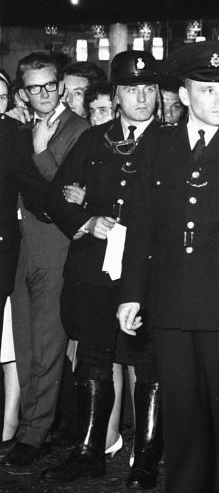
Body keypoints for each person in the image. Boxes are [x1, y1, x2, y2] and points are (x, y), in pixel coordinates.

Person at [117, 40, 219, 493]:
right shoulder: (158, 146)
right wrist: (131, 293)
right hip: (172, 306)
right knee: (184, 419)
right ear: (185, 92)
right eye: (208, 91)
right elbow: (141, 227)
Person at [42, 51, 164, 485]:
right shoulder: (94, 141)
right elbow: (56, 198)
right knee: (93, 360)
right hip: (94, 271)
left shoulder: (172, 141)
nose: (143, 98)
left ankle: (146, 456)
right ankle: (89, 451)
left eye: (149, 89)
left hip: (149, 274)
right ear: (116, 96)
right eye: (132, 90)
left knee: (149, 364)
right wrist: (87, 219)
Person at [3, 52, 90, 468]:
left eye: (49, 85)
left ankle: (34, 434)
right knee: (25, 346)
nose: (42, 94)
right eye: (33, 87)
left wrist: (40, 150)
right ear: (23, 91)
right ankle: (31, 425)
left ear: (60, 85)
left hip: (55, 249)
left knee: (48, 348)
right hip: (22, 248)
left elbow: (66, 194)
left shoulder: (79, 129)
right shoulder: (21, 128)